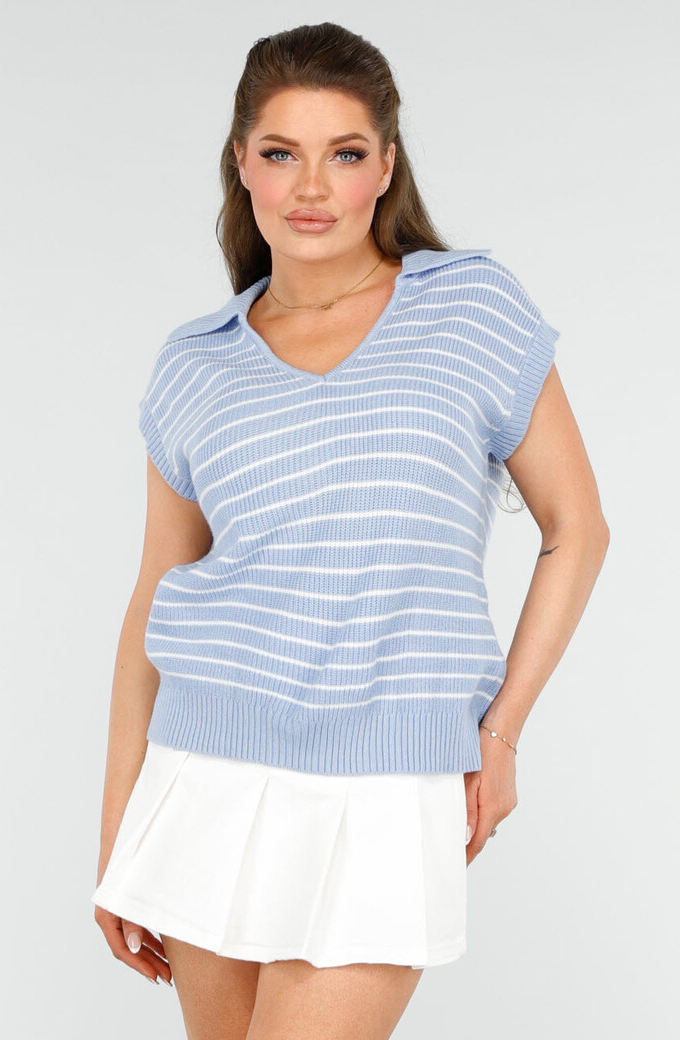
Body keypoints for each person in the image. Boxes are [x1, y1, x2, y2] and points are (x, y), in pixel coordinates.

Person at [91, 21, 609, 1040]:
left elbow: (576, 528)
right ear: (242, 163)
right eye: (281, 152)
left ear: (386, 168)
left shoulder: (470, 310)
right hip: (205, 776)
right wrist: (118, 834)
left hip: (386, 785)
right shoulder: (195, 364)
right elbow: (154, 598)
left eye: (345, 153)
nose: (311, 186)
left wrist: (499, 731)